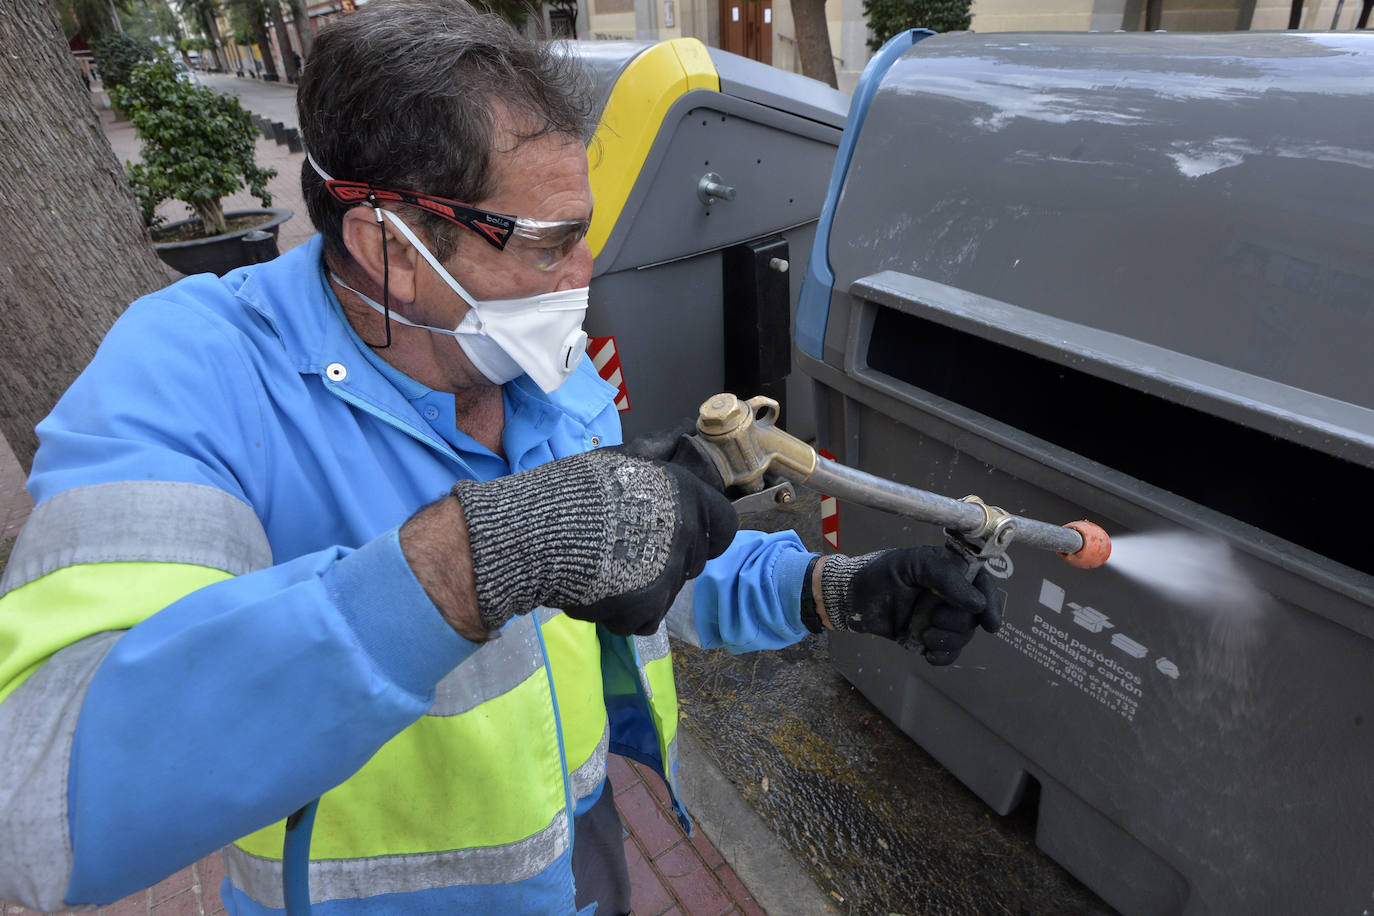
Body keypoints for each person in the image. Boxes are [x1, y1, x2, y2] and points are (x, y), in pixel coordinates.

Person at [0, 2, 1003, 913]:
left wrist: (828, 588)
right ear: (390, 242)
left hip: (581, 856)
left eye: (587, 233)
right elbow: (38, 799)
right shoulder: (190, 376)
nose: (586, 272)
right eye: (548, 243)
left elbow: (631, 571)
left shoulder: (540, 362)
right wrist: (469, 562)